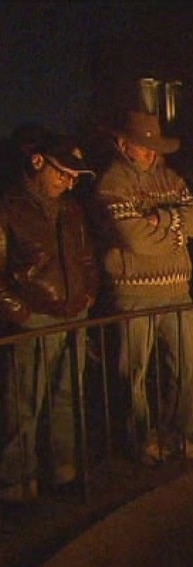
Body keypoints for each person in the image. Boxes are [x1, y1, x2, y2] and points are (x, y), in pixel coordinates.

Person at [94, 111, 193, 464]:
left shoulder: (171, 179)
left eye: (154, 146)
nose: (150, 153)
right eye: (144, 146)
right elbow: (135, 239)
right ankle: (141, 440)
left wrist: (163, 219)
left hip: (177, 288)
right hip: (133, 292)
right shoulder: (112, 183)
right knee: (133, 372)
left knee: (192, 364)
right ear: (124, 144)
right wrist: (177, 232)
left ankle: (178, 435)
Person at [0, 131, 99, 501]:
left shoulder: (71, 209)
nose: (69, 182)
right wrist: (20, 312)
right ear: (38, 162)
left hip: (73, 314)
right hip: (35, 319)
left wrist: (87, 296)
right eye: (63, 173)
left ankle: (64, 469)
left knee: (66, 395)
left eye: (74, 177)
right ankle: (16, 482)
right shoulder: (9, 206)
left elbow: (86, 258)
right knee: (22, 401)